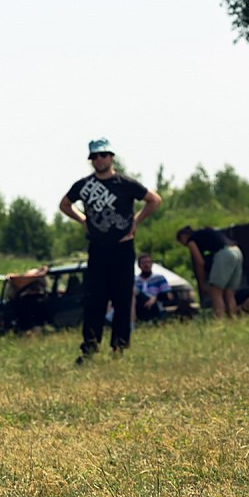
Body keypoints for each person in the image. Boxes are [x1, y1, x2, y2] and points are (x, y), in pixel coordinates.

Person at [58, 138, 162, 364]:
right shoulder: (84, 185)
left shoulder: (125, 183)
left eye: (103, 155)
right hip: (97, 248)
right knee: (94, 299)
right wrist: (83, 219)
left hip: (123, 248)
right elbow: (65, 204)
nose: (99, 160)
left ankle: (119, 348)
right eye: (94, 156)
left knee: (122, 298)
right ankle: (89, 349)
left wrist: (136, 222)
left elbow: (154, 200)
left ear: (111, 156)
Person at [176, 225, 244, 319]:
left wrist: (202, 283)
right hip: (237, 251)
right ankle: (233, 318)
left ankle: (219, 319)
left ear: (183, 237)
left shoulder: (191, 241)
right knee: (229, 292)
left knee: (215, 291)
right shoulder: (205, 232)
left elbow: (200, 263)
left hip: (223, 254)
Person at [133, 253, 174, 323]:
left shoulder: (159, 278)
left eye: (148, 262)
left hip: (155, 305)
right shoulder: (135, 280)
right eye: (144, 263)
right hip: (139, 305)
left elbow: (169, 295)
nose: (146, 265)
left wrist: (155, 297)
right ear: (139, 265)